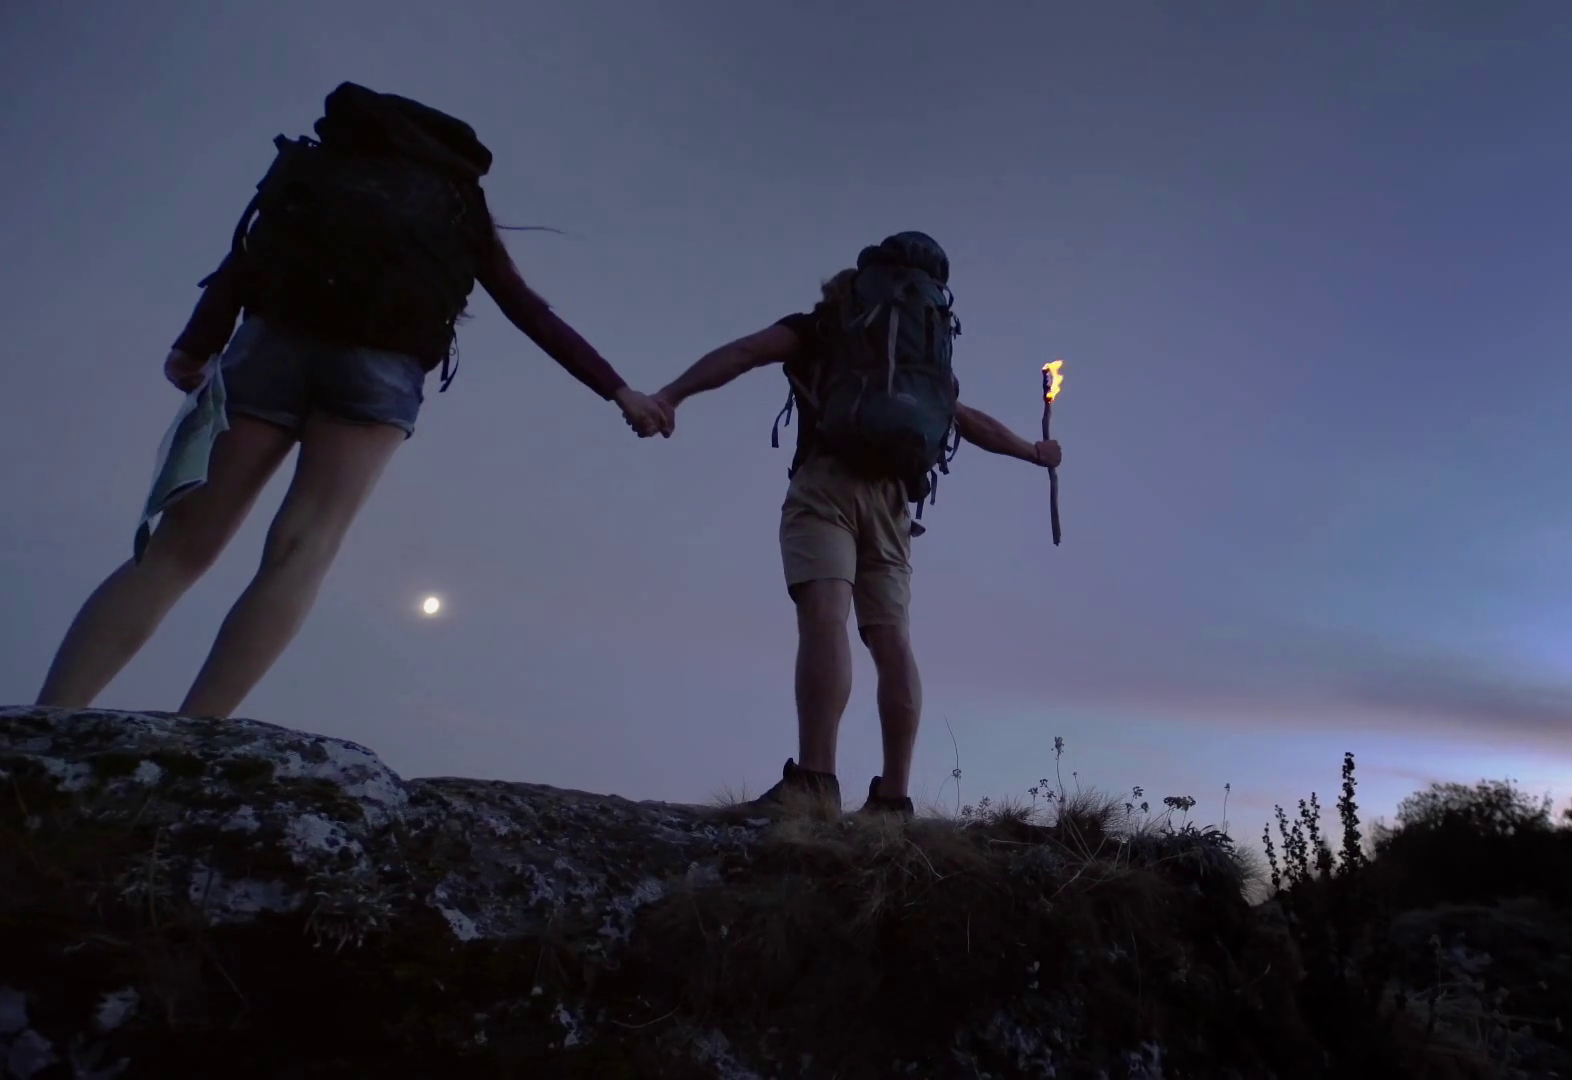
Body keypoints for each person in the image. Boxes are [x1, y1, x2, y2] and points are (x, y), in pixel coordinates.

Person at [34, 82, 667, 719]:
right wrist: (617, 389)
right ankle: (199, 731)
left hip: (271, 349)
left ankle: (51, 717)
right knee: (301, 547)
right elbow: (527, 309)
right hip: (381, 370)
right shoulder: (455, 198)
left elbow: (245, 258)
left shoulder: (319, 167)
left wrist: (194, 346)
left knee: (176, 549)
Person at [641, 231, 1062, 818]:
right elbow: (966, 421)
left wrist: (671, 394)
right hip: (894, 503)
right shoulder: (923, 361)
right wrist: (1032, 452)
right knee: (892, 642)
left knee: (825, 617)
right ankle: (894, 799)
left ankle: (816, 780)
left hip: (828, 484)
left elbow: (743, 353)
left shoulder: (823, 327)